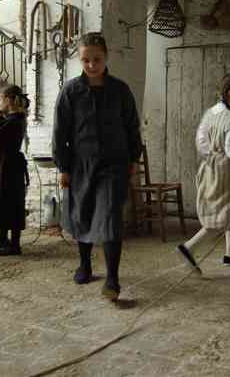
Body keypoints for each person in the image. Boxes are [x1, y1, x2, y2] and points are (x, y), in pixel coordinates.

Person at [53, 32, 143, 301]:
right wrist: (63, 167)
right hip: (81, 166)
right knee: (83, 213)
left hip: (114, 165)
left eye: (97, 59)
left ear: (106, 57)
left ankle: (113, 279)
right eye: (86, 60)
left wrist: (133, 159)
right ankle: (85, 265)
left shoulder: (120, 90)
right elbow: (60, 133)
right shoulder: (70, 91)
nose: (92, 65)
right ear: (79, 60)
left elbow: (132, 127)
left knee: (110, 217)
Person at [176, 73, 230, 273]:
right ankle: (189, 248)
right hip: (227, 171)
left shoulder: (211, 113)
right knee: (222, 214)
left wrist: (212, 157)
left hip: (210, 166)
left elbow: (200, 142)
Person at [0, 85, 30, 256]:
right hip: (4, 163)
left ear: (9, 100)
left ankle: (15, 244)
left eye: (0, 100)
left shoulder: (14, 121)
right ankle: (3, 237)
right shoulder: (11, 118)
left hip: (10, 165)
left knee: (11, 201)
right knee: (2, 199)